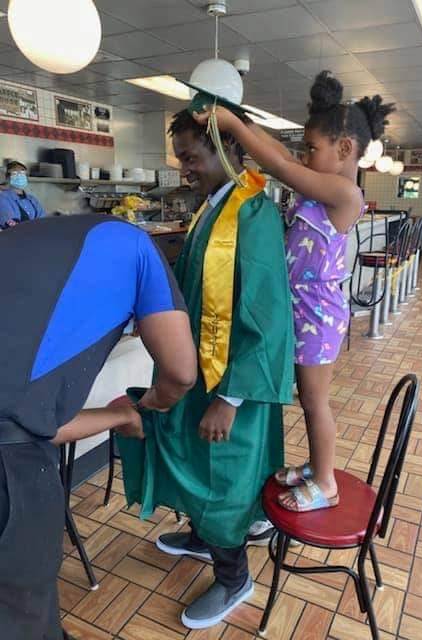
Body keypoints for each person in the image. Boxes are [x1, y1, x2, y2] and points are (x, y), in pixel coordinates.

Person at [117, 108, 294, 629]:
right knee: (195, 460)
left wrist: (231, 398)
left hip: (231, 383)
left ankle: (234, 575)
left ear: (227, 149)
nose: (186, 170)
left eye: (192, 158)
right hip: (200, 371)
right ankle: (202, 535)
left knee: (225, 478)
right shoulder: (209, 210)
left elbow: (265, 314)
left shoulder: (252, 213)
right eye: (182, 160)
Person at [195, 70, 395, 512]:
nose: (303, 156)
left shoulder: (345, 195)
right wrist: (244, 120)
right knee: (307, 400)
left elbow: (280, 165)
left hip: (317, 316)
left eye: (313, 148)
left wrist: (232, 126)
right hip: (300, 311)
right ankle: (314, 466)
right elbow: (282, 154)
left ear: (345, 150)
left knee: (315, 401)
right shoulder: (318, 187)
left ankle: (326, 482)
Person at [0, 213, 197, 640]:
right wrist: (150, 405)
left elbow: (32, 425)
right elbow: (181, 374)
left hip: (14, 445)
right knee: (22, 615)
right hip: (10, 475)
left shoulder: (25, 243)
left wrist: (122, 416)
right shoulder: (140, 250)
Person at [0, 160, 46, 229]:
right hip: (13, 238)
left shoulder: (32, 199)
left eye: (22, 173)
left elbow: (43, 221)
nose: (19, 176)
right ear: (7, 178)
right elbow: (10, 224)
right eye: (15, 173)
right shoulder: (3, 198)